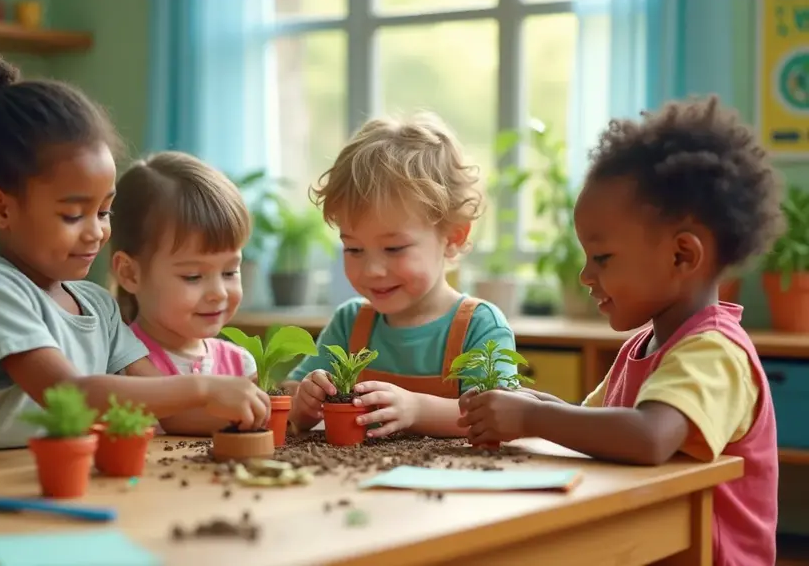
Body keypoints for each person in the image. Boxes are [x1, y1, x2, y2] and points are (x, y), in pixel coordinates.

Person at [458, 96, 783, 566]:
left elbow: (649, 437)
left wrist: (529, 420)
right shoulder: (644, 345)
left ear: (682, 256)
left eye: (602, 258)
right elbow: (598, 426)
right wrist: (535, 404)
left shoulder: (715, 351)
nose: (585, 276)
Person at [0, 50, 269, 456]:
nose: (97, 232)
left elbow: (166, 410)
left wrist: (260, 413)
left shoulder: (97, 305)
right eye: (74, 214)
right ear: (1, 208)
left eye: (104, 210)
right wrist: (201, 386)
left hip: (64, 486)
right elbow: (70, 396)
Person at [287, 112, 517, 438]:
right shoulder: (349, 323)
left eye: (394, 249)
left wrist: (417, 410)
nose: (372, 270)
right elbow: (292, 394)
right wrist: (304, 399)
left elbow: (500, 413)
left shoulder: (478, 325)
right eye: (353, 249)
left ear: (453, 237)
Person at [108, 151, 259, 436]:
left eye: (230, 272)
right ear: (130, 274)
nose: (218, 293)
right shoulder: (120, 361)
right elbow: (176, 418)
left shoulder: (241, 363)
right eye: (193, 276)